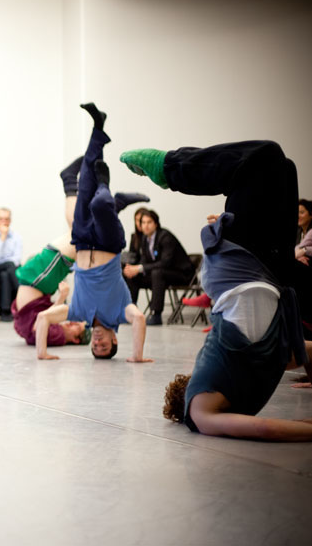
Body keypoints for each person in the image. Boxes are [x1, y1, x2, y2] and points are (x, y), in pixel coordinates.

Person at [121, 140, 312, 440]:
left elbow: (263, 428)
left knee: (266, 157)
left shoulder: (199, 407)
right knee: (284, 169)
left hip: (237, 268)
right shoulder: (265, 366)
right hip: (273, 272)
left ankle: (169, 169)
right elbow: (307, 354)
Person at [32, 103, 150, 362]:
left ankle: (98, 127)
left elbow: (43, 318)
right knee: (100, 202)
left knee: (86, 180)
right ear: (115, 339)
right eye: (105, 346)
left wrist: (42, 354)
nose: (97, 343)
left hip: (84, 241)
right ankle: (111, 191)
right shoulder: (121, 313)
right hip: (109, 243)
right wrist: (137, 356)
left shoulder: (78, 313)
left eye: (95, 348)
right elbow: (140, 318)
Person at [13, 154, 143, 355]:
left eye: (94, 345)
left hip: (37, 281)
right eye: (103, 346)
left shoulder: (57, 336)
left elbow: (39, 324)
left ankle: (76, 185)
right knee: (78, 230)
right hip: (38, 284)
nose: (77, 324)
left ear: (76, 339)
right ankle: (76, 185)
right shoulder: (87, 319)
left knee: (78, 230)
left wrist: (61, 299)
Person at [122, 209, 196, 326]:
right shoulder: (145, 239)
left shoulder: (165, 237)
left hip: (182, 275)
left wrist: (140, 268)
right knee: (133, 274)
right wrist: (134, 269)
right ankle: (131, 311)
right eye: (143, 223)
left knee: (156, 272)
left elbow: (165, 263)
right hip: (162, 275)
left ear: (156, 223)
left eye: (149, 222)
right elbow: (144, 261)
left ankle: (156, 314)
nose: (146, 226)